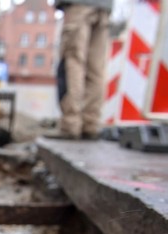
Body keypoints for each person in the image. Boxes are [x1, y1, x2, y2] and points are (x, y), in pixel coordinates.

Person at [55, 0, 112, 139]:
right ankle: (90, 123)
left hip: (79, 5)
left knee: (73, 61)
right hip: (104, 7)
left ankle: (71, 124)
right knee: (96, 68)